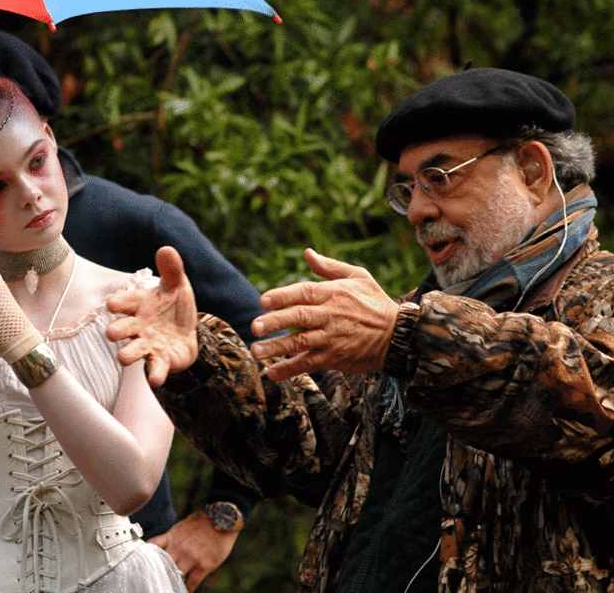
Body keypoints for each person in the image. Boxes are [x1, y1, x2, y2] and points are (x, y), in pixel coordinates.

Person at [105, 67, 614, 592]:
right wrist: (199, 360)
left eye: (440, 177)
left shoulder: (599, 293)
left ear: (532, 171)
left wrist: (409, 339)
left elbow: (593, 417)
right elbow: (311, 446)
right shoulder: (419, 314)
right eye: (408, 188)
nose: (417, 210)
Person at [0, 29, 262, 593]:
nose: (31, 193)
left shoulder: (142, 291)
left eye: (37, 162)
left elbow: (132, 485)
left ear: (50, 138)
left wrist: (225, 510)